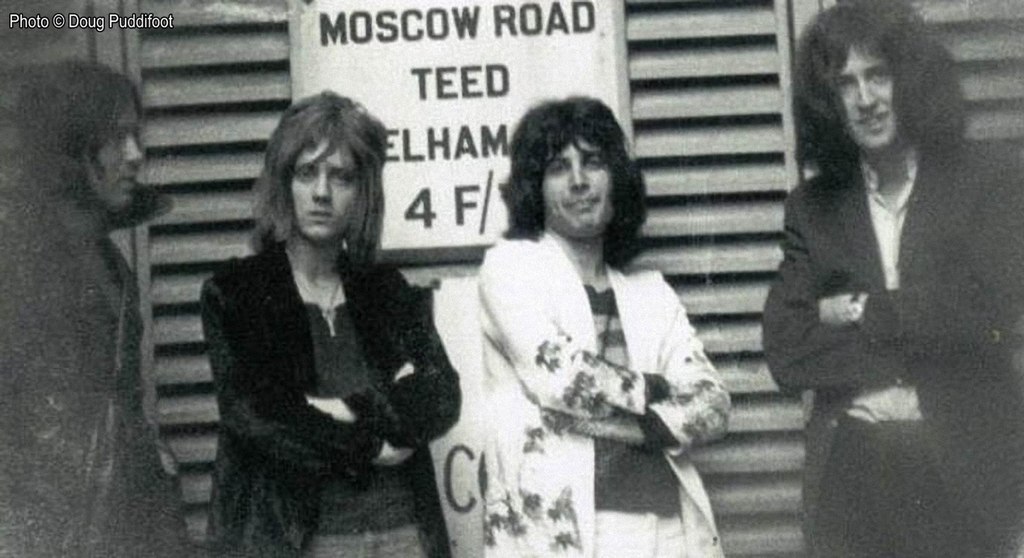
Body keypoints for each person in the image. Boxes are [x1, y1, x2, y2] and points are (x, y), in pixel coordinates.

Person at [762, 1, 1024, 555]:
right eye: (845, 84)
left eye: (878, 75)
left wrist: (856, 311)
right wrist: (929, 338)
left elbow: (989, 313)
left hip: (966, 472)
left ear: (910, 78)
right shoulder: (812, 209)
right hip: (854, 479)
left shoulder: (989, 180)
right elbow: (787, 350)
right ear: (828, 102)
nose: (865, 100)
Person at [200, 91, 461, 558]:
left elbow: (442, 394)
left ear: (362, 193)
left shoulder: (386, 290)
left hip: (403, 535)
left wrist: (345, 406)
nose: (322, 192)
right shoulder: (238, 293)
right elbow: (258, 416)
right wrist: (367, 441)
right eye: (306, 173)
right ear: (284, 183)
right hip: (299, 542)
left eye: (340, 177)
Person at [478, 96, 730, 558]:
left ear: (616, 179)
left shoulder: (650, 292)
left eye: (593, 163)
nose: (578, 182)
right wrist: (658, 392)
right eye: (558, 167)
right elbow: (562, 378)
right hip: (570, 534)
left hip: (669, 527)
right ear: (535, 187)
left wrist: (636, 428)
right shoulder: (510, 268)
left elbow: (713, 401)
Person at [0, 61, 194, 556]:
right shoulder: (18, 259)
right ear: (70, 147)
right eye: (117, 139)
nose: (135, 156)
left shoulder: (104, 255)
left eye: (137, 136)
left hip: (116, 518)